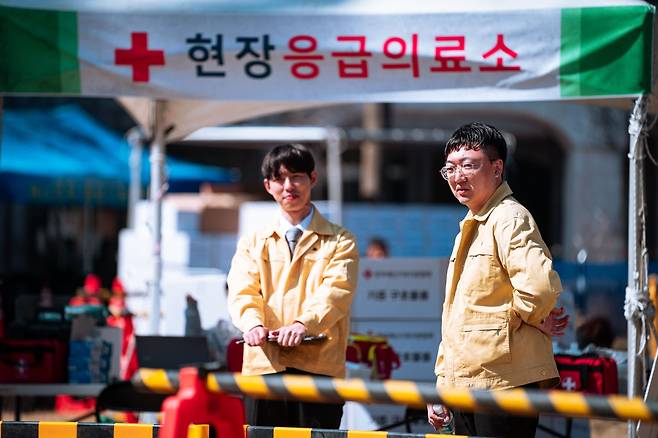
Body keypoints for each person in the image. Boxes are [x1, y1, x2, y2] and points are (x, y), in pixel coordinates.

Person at [427, 123, 568, 438]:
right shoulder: (473, 223)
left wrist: (529, 316)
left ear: (496, 168)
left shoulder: (510, 218)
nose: (458, 176)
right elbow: (457, 316)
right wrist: (443, 383)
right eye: (450, 168)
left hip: (503, 382)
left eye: (469, 165)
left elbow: (539, 289)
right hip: (469, 382)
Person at [227, 143, 359, 429]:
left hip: (319, 366)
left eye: (296, 177)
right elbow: (242, 289)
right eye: (279, 179)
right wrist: (252, 324)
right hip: (264, 364)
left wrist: (303, 324)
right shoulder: (253, 241)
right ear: (268, 186)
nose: (288, 186)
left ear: (313, 178)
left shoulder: (341, 240)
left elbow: (337, 291)